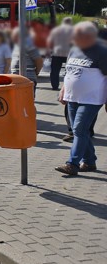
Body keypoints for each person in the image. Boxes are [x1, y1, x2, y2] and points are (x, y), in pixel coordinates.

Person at [55, 22, 107, 176]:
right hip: (73, 97)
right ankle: (90, 162)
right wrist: (63, 90)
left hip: (92, 99)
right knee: (81, 131)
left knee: (78, 129)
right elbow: (68, 72)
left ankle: (72, 164)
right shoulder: (74, 49)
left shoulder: (102, 51)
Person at [10, 27, 44, 94]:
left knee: (27, 100)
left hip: (27, 78)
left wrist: (36, 73)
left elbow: (39, 61)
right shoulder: (16, 45)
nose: (12, 37)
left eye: (14, 35)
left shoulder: (29, 45)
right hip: (16, 78)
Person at [48, 17, 74, 91]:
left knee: (55, 71)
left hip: (57, 53)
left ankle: (55, 86)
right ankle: (67, 86)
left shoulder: (56, 30)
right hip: (69, 53)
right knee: (69, 70)